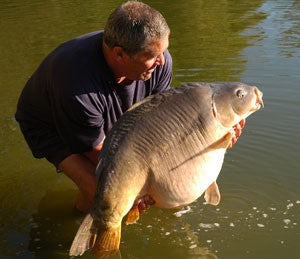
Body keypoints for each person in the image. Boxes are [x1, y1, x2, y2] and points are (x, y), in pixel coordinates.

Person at [15, 1, 243, 214]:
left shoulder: (159, 63)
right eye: (152, 55)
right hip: (53, 125)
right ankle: (70, 235)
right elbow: (99, 154)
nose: (162, 61)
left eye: (163, 51)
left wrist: (213, 140)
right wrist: (140, 183)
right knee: (103, 196)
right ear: (119, 54)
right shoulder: (76, 85)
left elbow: (160, 124)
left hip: (109, 111)